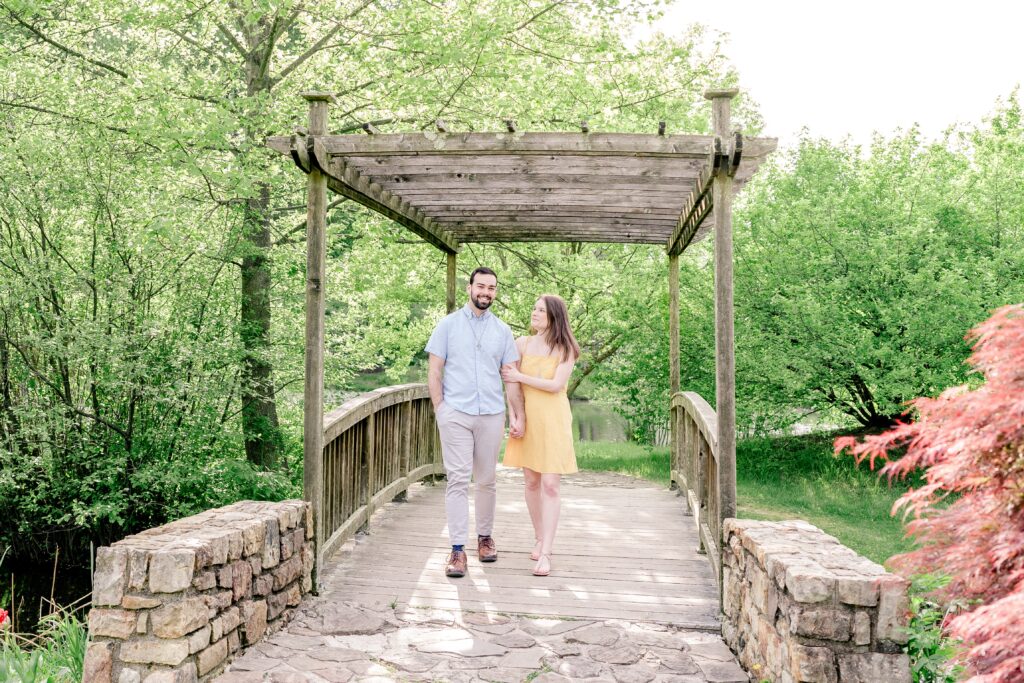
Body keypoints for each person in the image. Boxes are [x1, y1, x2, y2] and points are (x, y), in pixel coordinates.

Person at [426, 267, 525, 578]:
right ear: (469, 287)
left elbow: (510, 377)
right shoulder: (448, 325)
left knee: (486, 480)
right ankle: (457, 550)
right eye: (481, 286)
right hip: (455, 412)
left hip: (492, 415)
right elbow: (434, 371)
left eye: (491, 288)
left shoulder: (502, 331)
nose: (486, 292)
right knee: (457, 479)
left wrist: (516, 414)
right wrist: (441, 408)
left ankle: (485, 538)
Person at [500, 294, 579, 577]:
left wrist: (521, 377)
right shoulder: (521, 344)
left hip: (554, 419)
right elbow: (510, 386)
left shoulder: (566, 348)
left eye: (541, 310)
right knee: (531, 480)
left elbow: (556, 385)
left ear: (554, 316)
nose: (534, 313)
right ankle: (538, 536)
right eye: (533, 308)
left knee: (550, 484)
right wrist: (515, 417)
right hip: (529, 417)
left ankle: (546, 552)